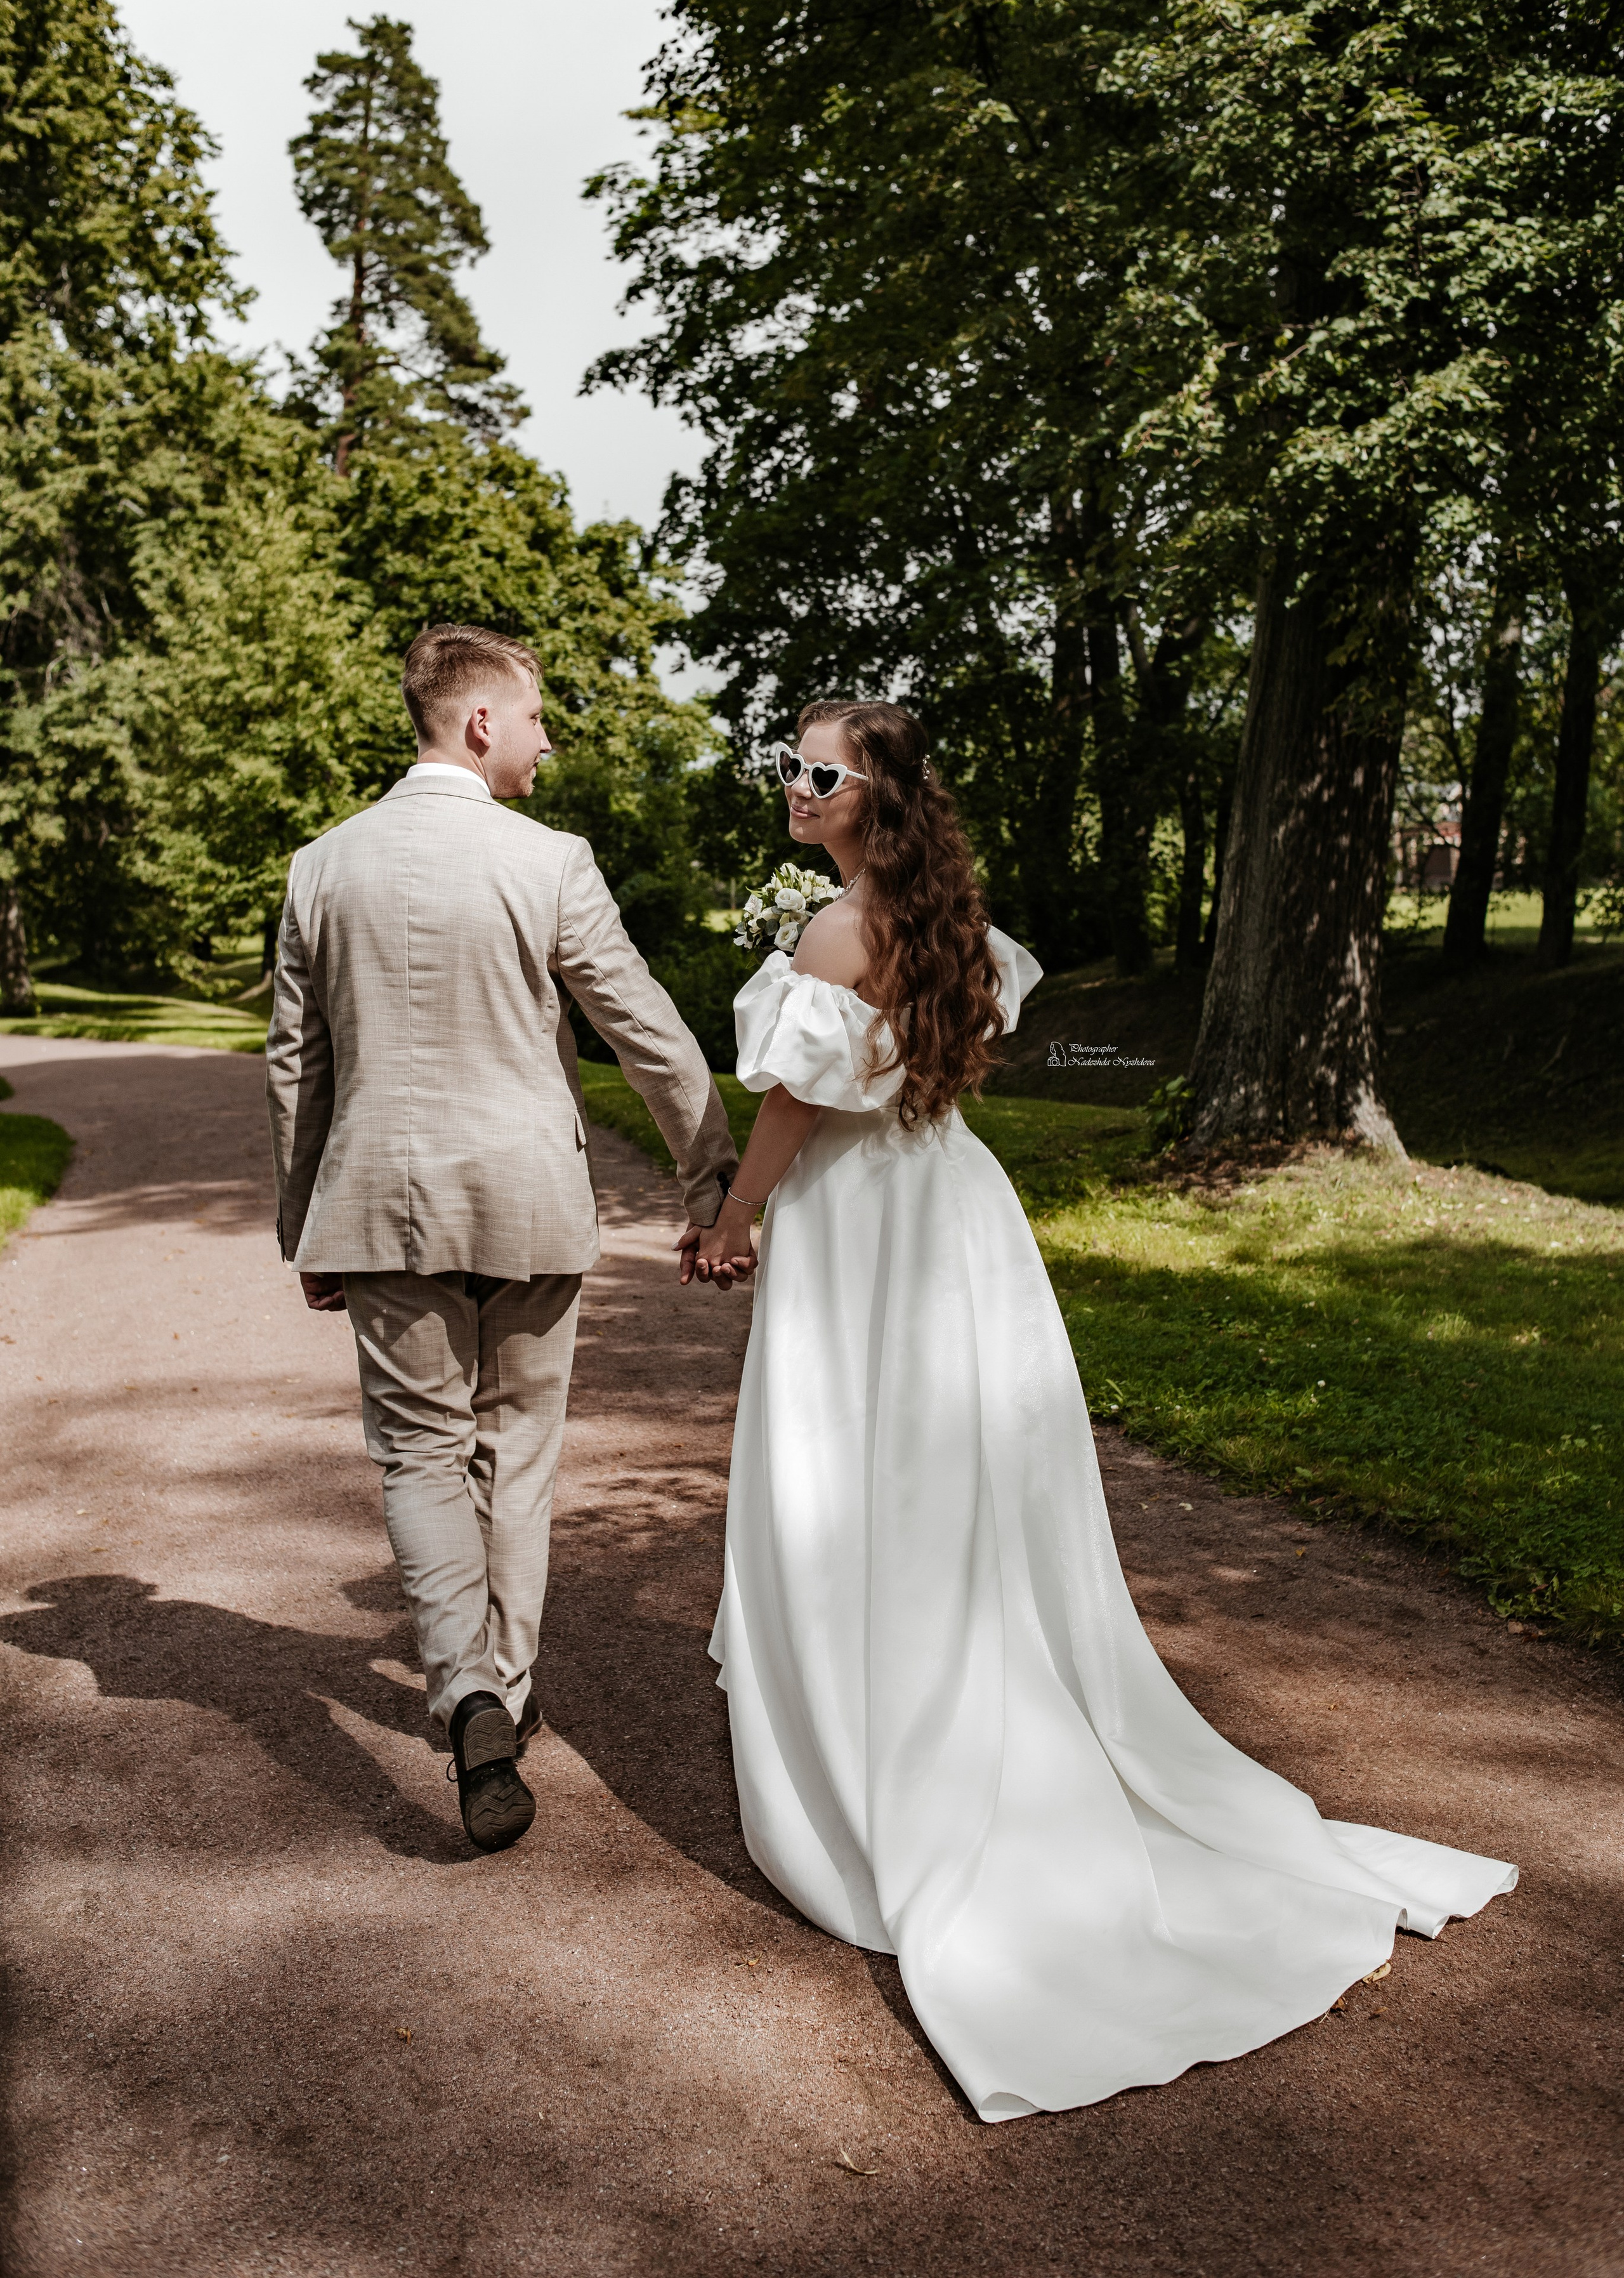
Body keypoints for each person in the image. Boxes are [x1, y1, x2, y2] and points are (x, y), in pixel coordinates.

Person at [690, 697, 1516, 2122]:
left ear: (876, 794)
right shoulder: (951, 922)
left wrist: (731, 1218)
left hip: (862, 1225)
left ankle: (881, 1719)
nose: (797, 784)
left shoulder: (834, 933)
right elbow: (930, 1066)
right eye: (791, 763)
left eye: (822, 770)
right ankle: (946, 1685)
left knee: (857, 1466)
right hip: (949, 1205)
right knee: (945, 1478)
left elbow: (791, 1106)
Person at [266, 623, 746, 1855]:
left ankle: (465, 1690)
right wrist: (711, 1181)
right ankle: (508, 1691)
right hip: (532, 1202)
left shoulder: (321, 867)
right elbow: (645, 1027)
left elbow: (297, 1067)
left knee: (419, 1456)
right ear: (480, 721)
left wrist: (304, 1220)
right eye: (536, 718)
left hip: (379, 1206)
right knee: (516, 1454)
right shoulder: (550, 862)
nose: (545, 742)